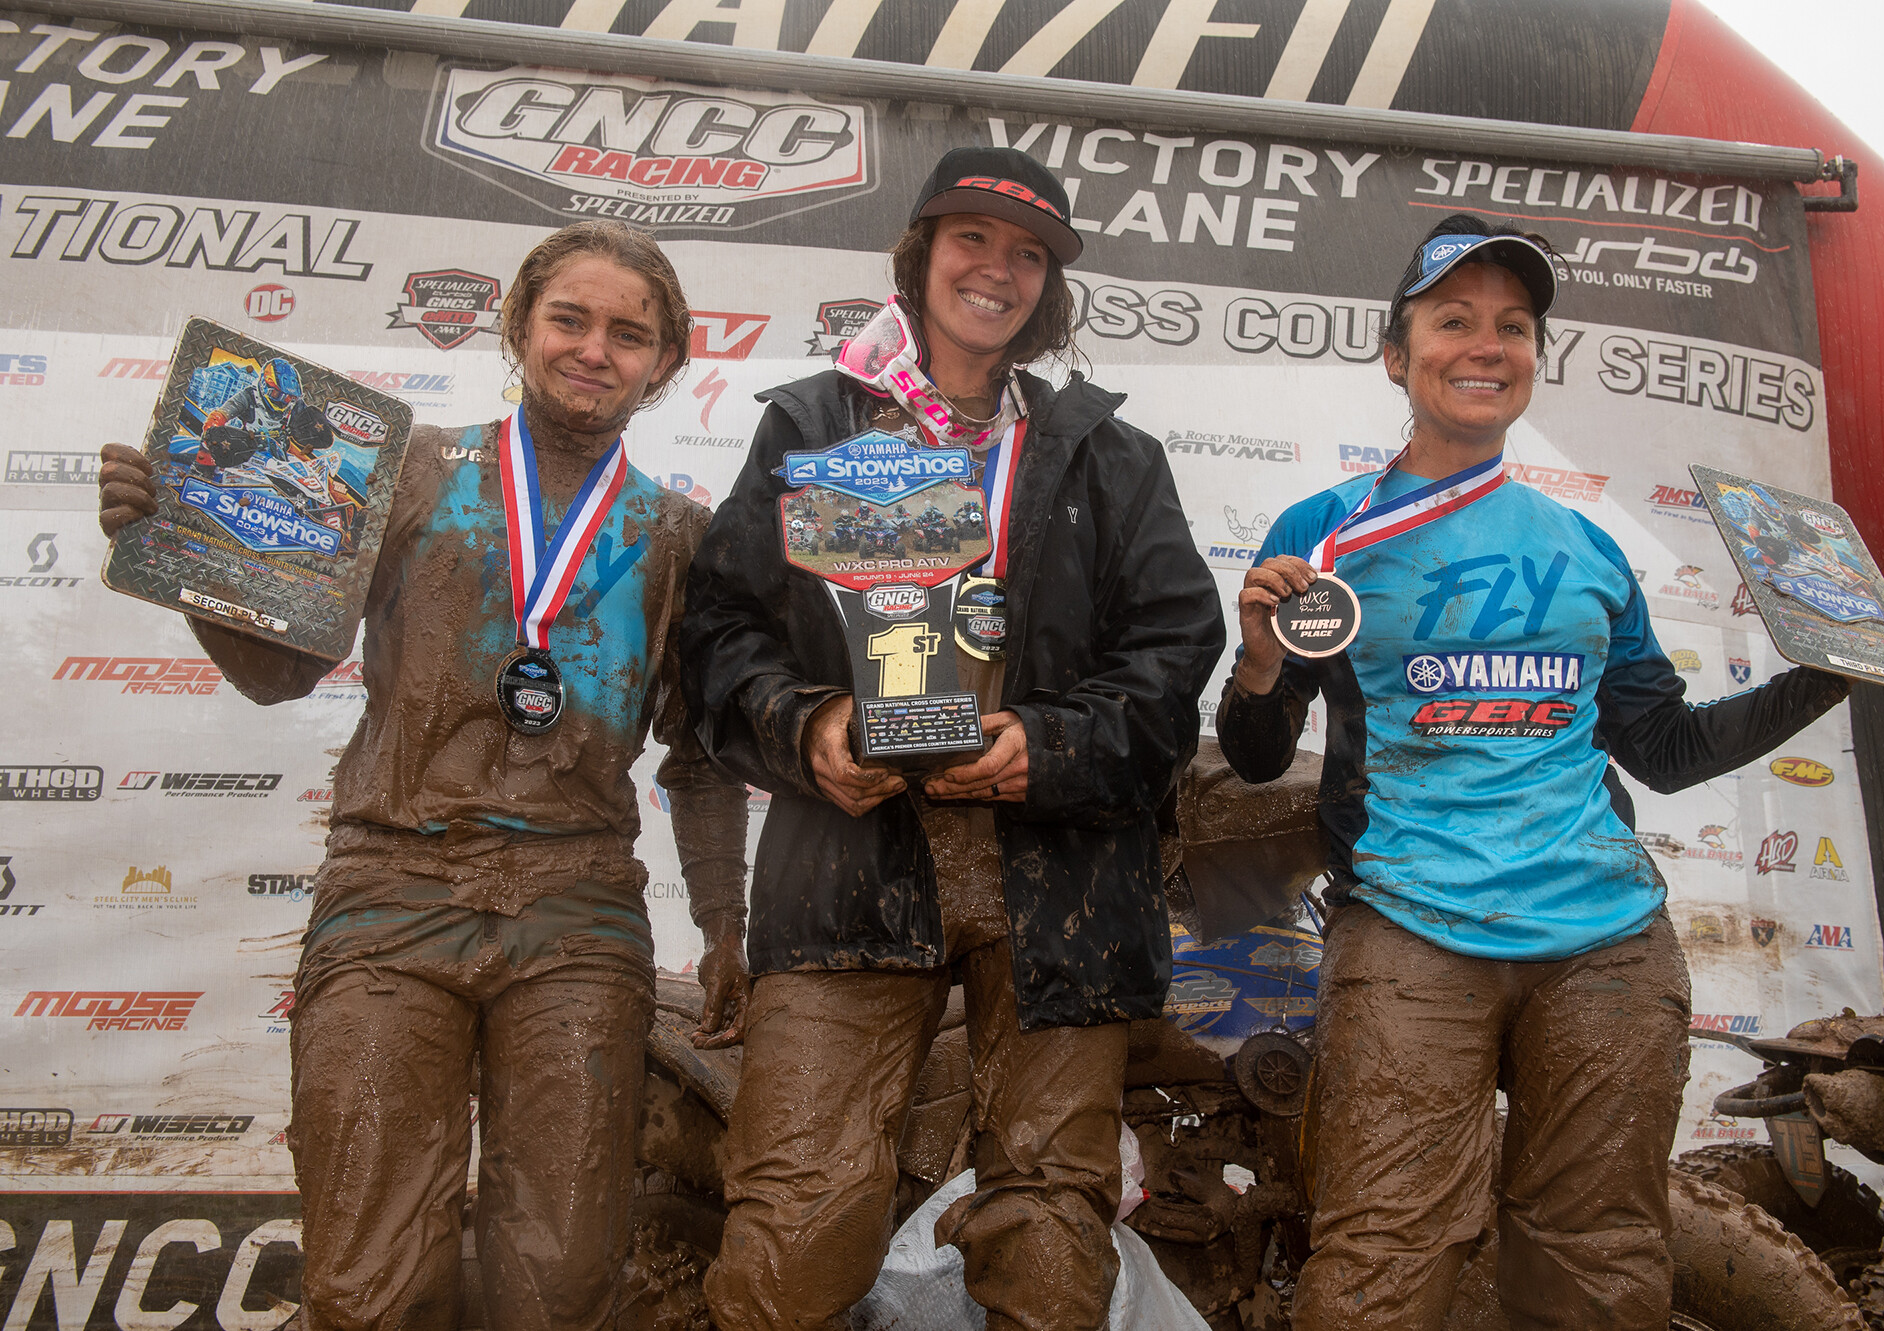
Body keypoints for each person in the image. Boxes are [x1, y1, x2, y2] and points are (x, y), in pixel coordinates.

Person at [1217, 213, 1884, 1330]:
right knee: (1381, 1250)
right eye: (1451, 319)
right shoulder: (1322, 536)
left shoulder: (1588, 547)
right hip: (1410, 925)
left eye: (1511, 325)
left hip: (1606, 942)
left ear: (1531, 358)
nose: (1484, 343)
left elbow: (1662, 749)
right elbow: (1262, 751)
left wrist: (1831, 671)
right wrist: (1260, 661)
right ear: (1393, 352)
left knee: (1598, 1256)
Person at [97, 219, 750, 1331]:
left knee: (559, 1282)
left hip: (578, 907)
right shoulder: (402, 471)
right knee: (369, 1276)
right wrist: (191, 558)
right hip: (391, 887)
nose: (595, 349)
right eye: (570, 319)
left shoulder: (683, 533)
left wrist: (727, 925)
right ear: (518, 326)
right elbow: (278, 674)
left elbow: (700, 758)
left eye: (629, 334)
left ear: (666, 364)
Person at [679, 145, 1226, 1330]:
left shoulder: (1108, 453)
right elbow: (720, 627)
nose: (998, 269)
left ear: (1051, 288)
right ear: (919, 254)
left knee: (1047, 1225)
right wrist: (806, 725)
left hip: (1062, 877)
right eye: (972, 238)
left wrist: (1052, 742)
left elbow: (1176, 650)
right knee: (796, 1222)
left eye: (1028, 253)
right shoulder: (813, 423)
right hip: (850, 868)